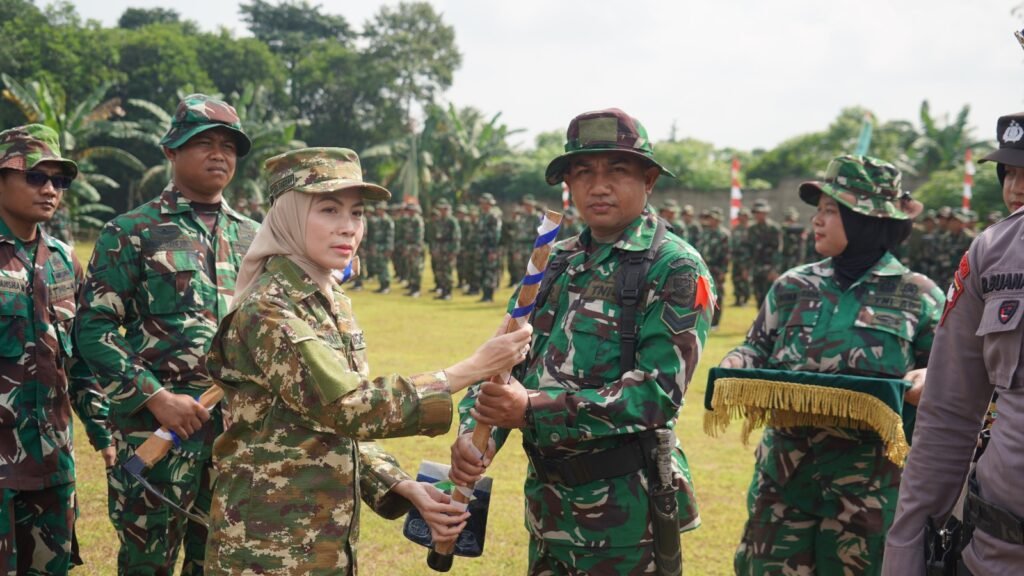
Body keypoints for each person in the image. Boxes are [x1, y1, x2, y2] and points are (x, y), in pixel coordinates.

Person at [198, 147, 531, 573]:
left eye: (356, 213)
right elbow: (346, 406)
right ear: (289, 216)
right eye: (329, 210)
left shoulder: (328, 298)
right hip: (266, 547)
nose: (348, 227)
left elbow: (330, 427)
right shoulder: (270, 307)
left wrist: (402, 485)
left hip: (324, 540)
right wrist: (470, 370)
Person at [449, 108, 715, 575]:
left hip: (626, 521)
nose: (599, 186)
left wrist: (531, 409)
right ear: (568, 184)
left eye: (617, 170)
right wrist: (475, 435)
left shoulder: (674, 267)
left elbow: (656, 395)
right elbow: (503, 361)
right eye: (583, 172)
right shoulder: (555, 261)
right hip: (548, 508)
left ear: (649, 180)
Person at [720, 155, 944, 575]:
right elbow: (757, 347)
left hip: (869, 487)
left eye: (830, 210)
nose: (817, 220)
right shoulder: (792, 285)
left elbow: (946, 375)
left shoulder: (920, 295)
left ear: (865, 220)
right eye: (818, 210)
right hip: (783, 478)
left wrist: (929, 378)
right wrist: (736, 361)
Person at [76, 94, 260, 575]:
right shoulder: (132, 231)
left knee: (220, 561)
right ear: (171, 150)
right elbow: (93, 327)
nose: (218, 154)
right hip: (156, 434)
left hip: (235, 434)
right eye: (203, 143)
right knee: (147, 562)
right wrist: (155, 397)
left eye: (228, 146)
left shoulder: (256, 239)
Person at [883, 112, 1024, 575]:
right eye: (1010, 172)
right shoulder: (994, 251)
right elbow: (947, 413)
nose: (1017, 186)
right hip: (997, 553)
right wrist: (905, 553)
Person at [0, 124, 111, 574]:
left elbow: (80, 361)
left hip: (53, 464)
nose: (49, 189)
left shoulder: (64, 260)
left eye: (59, 181)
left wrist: (103, 433)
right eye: (35, 176)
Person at [748, 198, 783, 307]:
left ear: (766, 213)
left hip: (769, 268)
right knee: (758, 297)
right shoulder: (751, 229)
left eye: (761, 212)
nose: (759, 215)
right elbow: (748, 249)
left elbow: (778, 250)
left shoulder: (773, 229)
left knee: (770, 298)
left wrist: (774, 269)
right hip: (756, 269)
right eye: (757, 213)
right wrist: (746, 267)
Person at [700, 206, 730, 328]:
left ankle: (715, 322)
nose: (711, 220)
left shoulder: (723, 234)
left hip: (717, 269)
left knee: (717, 295)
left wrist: (723, 271)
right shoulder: (705, 233)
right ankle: (704, 320)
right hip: (704, 268)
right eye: (710, 218)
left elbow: (727, 254)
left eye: (713, 218)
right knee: (703, 294)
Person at [431, 198, 460, 300]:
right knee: (440, 272)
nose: (441, 211)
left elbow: (456, 238)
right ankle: (443, 291)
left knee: (447, 272)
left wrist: (454, 251)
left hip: (448, 250)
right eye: (440, 209)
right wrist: (435, 249)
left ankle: (448, 292)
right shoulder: (439, 221)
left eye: (443, 209)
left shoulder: (452, 221)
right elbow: (436, 237)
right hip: (440, 250)